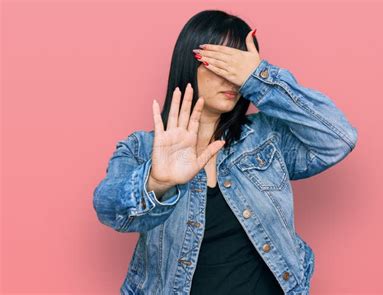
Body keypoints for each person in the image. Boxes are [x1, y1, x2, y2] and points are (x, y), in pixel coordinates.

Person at [93, 9, 358, 295]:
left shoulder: (266, 138)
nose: (232, 78)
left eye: (239, 66)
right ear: (189, 62)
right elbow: (110, 211)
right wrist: (157, 182)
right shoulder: (141, 148)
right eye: (220, 62)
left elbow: (338, 139)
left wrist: (259, 78)